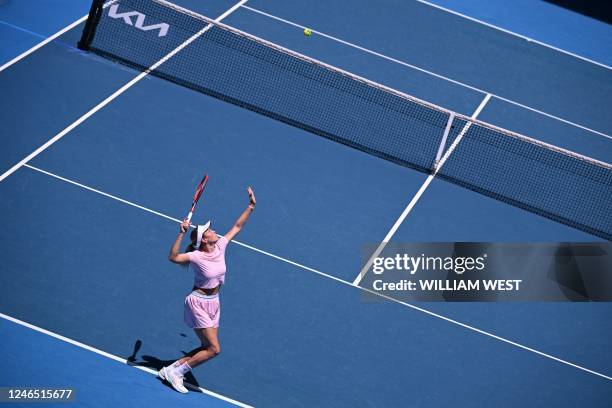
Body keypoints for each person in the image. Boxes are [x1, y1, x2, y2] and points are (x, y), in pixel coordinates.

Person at [159, 186, 256, 393]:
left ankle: (170, 369)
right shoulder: (196, 256)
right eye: (209, 230)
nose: (214, 231)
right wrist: (181, 233)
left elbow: (237, 226)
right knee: (214, 349)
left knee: (207, 347)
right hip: (198, 303)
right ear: (204, 239)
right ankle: (177, 373)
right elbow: (173, 257)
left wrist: (250, 207)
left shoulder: (221, 245)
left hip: (214, 303)